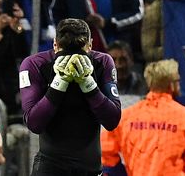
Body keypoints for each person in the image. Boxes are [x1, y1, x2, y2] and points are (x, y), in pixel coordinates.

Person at [19, 18, 121, 176]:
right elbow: (34, 123)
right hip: (50, 168)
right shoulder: (34, 64)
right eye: (66, 55)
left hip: (90, 169)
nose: (73, 62)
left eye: (81, 55)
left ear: (90, 46)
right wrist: (60, 82)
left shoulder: (103, 62)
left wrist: (88, 83)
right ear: (55, 45)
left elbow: (112, 120)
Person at [101, 59, 185, 176]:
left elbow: (104, 149)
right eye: (178, 80)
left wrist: (123, 173)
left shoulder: (127, 116)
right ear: (171, 84)